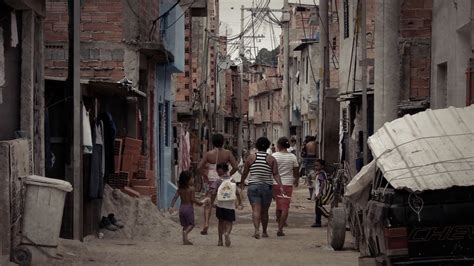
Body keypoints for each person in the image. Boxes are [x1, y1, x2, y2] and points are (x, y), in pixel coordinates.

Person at [241, 137, 284, 239]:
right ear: (268, 146)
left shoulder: (250, 158)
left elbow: (245, 172)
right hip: (266, 187)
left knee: (256, 210)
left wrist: (242, 182)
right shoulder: (271, 159)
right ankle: (264, 232)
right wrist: (280, 185)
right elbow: (276, 174)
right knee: (265, 211)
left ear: (256, 146)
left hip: (253, 187)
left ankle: (256, 230)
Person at [197, 133, 239, 235]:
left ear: (212, 142)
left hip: (211, 178)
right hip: (224, 179)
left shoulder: (208, 154)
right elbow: (236, 166)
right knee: (224, 202)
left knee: (208, 203)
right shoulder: (228, 153)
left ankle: (206, 223)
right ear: (223, 142)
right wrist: (228, 174)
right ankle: (224, 228)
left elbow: (199, 167)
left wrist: (205, 176)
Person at [272, 137, 299, 236]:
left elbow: (271, 169)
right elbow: (296, 170)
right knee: (285, 206)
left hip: (275, 183)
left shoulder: (274, 156)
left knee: (278, 205)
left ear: (279, 145)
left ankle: (279, 223)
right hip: (287, 184)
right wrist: (296, 180)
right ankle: (280, 228)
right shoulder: (292, 157)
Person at [169, 171, 204, 245]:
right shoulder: (191, 189)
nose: (193, 179)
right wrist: (199, 203)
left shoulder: (180, 189)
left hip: (181, 208)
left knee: (185, 225)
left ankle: (185, 240)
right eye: (192, 178)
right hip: (188, 208)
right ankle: (186, 233)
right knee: (191, 224)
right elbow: (192, 199)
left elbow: (175, 197)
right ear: (187, 180)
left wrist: (171, 206)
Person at [213, 163, 243, 247]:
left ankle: (220, 240)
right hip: (230, 205)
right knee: (229, 222)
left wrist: (211, 202)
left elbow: (213, 192)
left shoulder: (218, 181)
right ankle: (227, 233)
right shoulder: (232, 180)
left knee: (220, 222)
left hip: (220, 205)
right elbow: (237, 192)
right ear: (227, 170)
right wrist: (240, 202)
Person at [311, 159, 327, 227]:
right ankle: (318, 221)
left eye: (317, 166)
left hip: (320, 194)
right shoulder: (319, 173)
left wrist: (319, 193)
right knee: (317, 208)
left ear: (322, 166)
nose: (315, 167)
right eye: (315, 166)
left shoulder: (321, 174)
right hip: (318, 193)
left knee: (319, 208)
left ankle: (328, 215)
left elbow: (322, 184)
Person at [304, 136, 318, 200]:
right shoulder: (315, 143)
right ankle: (315, 195)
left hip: (308, 158)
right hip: (314, 157)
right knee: (315, 176)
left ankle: (311, 195)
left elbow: (305, 152)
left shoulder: (307, 144)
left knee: (309, 177)